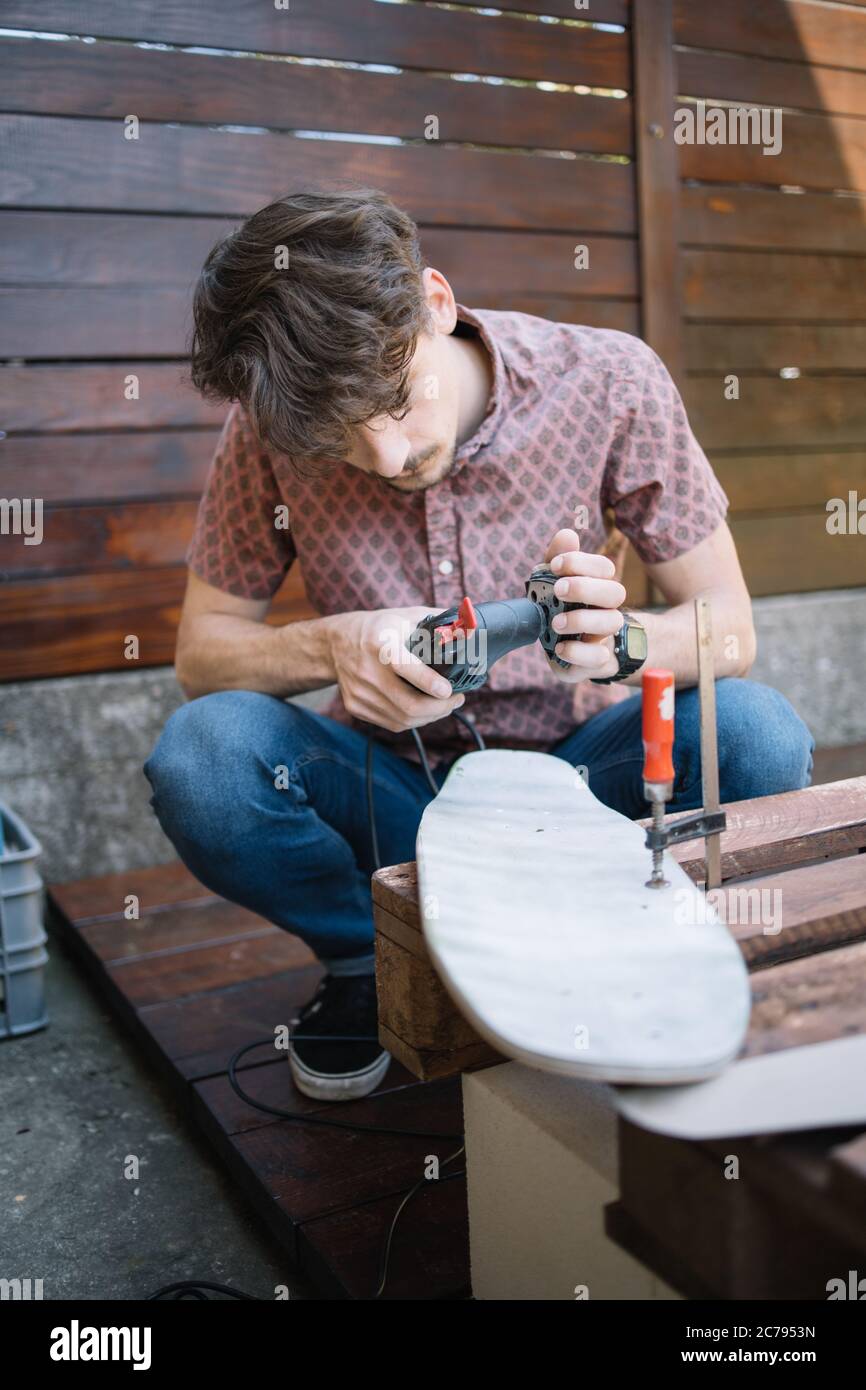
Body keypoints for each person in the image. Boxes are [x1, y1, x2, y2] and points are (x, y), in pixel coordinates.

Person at [144, 188, 813, 1102]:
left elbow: (729, 629)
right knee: (202, 758)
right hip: (393, 797)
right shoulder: (272, 422)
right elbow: (200, 656)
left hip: (584, 793)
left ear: (437, 302)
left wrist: (621, 643)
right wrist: (336, 646)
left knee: (757, 734)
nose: (385, 457)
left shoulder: (611, 381)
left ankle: (616, 930)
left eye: (394, 399)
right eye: (338, 441)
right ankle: (367, 957)